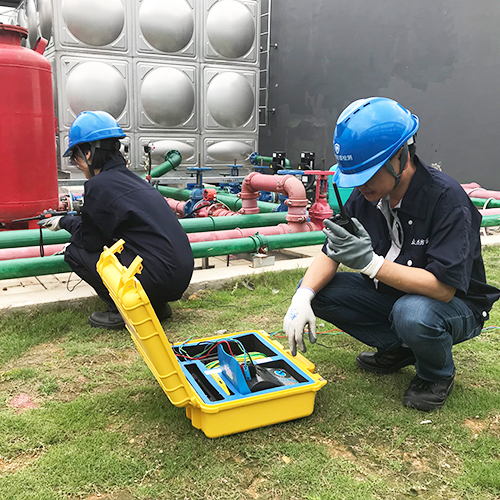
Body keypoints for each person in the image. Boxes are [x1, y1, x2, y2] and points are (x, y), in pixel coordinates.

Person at [283, 97, 500, 411]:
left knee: (412, 314)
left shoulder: (446, 200)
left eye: (367, 174)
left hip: (455, 305)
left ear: (400, 157)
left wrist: (371, 264)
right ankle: (401, 347)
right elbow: (331, 252)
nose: (361, 185)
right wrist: (301, 296)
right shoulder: (368, 196)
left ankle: (435, 375)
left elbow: (443, 288)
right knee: (320, 291)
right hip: (396, 295)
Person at [41, 110, 194, 329]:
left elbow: (90, 240)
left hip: (159, 276)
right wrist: (70, 219)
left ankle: (124, 311)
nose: (77, 164)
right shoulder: (132, 180)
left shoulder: (99, 185)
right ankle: (156, 306)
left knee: (75, 252)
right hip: (178, 277)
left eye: (75, 158)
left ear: (89, 153)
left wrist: (64, 222)